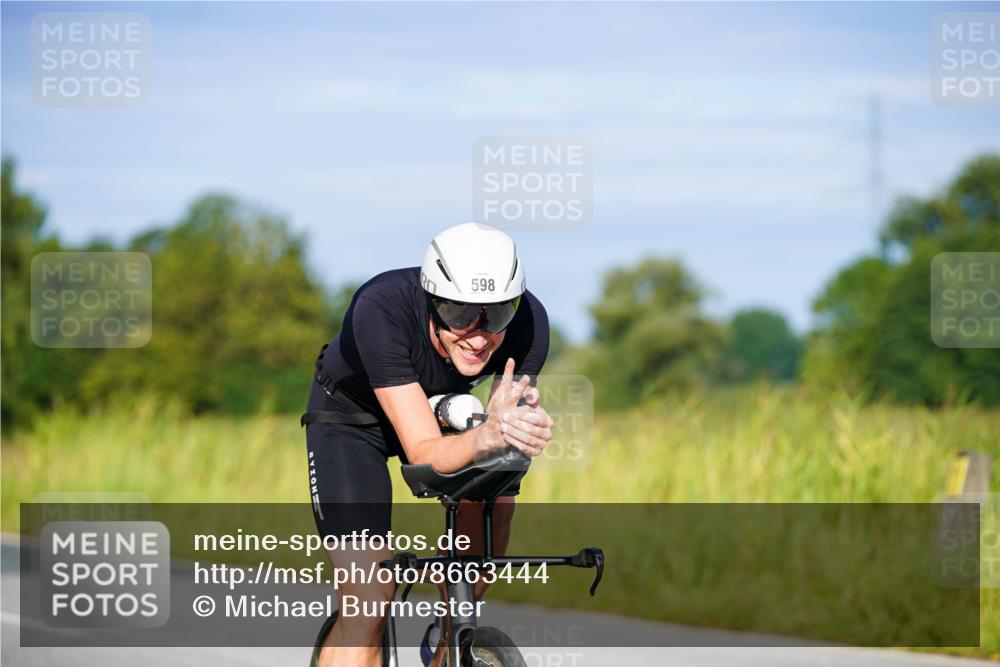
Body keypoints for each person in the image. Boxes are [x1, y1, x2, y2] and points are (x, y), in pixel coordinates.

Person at [303, 222, 554, 667]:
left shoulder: (529, 322)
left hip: (443, 409)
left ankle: (448, 641)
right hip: (352, 420)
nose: (478, 336)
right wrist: (489, 434)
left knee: (497, 492)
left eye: (495, 315)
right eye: (460, 314)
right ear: (432, 300)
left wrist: (515, 431)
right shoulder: (380, 307)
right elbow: (423, 451)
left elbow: (500, 425)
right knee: (369, 596)